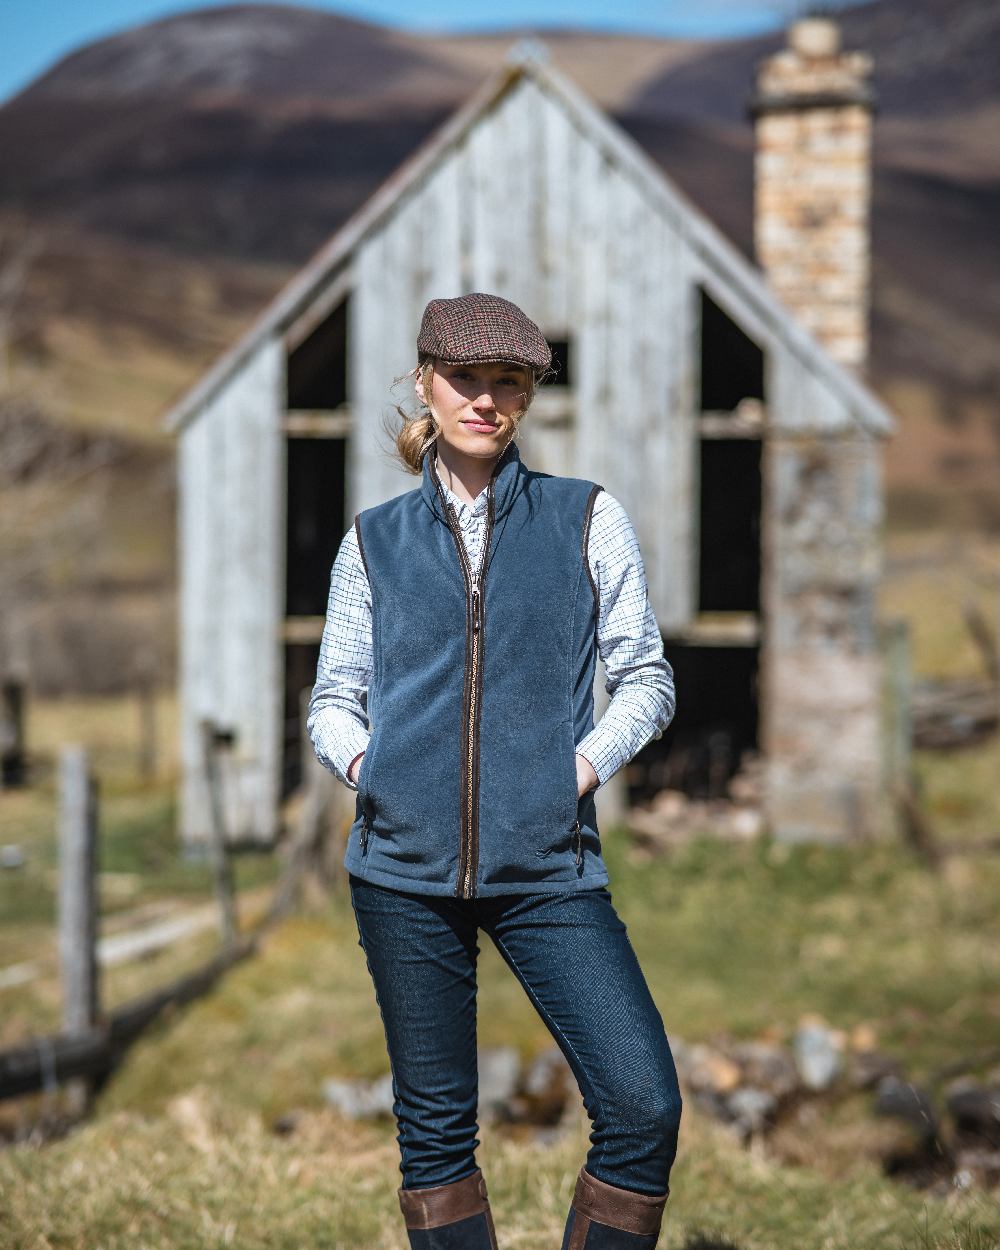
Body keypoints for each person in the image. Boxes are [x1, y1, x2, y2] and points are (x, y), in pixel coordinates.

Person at [308, 292, 682, 1249]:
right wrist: (374, 771)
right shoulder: (372, 541)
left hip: (548, 868)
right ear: (424, 383)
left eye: (505, 382)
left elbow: (645, 679)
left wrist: (576, 776)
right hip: (400, 876)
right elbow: (331, 700)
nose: (483, 400)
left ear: (527, 397)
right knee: (434, 1137)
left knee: (642, 1107)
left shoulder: (585, 518)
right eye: (463, 378)